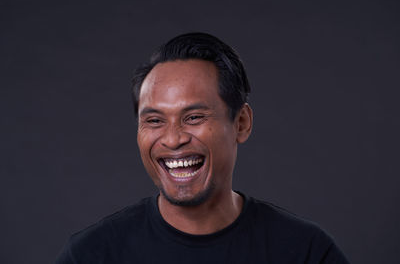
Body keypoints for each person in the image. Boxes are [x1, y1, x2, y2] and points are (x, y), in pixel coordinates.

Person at [55, 32, 349, 263]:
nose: (172, 139)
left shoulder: (305, 251)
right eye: (155, 120)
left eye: (194, 117)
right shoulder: (91, 255)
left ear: (242, 123)